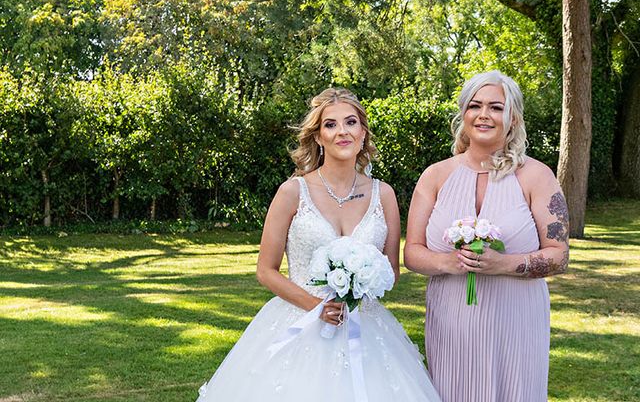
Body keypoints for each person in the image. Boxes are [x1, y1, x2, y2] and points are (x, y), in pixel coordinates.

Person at [196, 88, 441, 402]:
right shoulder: (292, 192)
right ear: (318, 136)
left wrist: (360, 285)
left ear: (363, 133)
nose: (342, 131)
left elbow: (390, 270)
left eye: (351, 122)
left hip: (366, 326)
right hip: (300, 319)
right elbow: (265, 271)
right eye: (330, 124)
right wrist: (317, 307)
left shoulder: (385, 195)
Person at [405, 71, 569, 402]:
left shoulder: (537, 176)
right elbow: (412, 253)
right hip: (451, 322)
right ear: (463, 113)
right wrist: (446, 261)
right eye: (475, 106)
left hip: (516, 321)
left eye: (496, 107)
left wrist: (504, 264)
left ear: (513, 118)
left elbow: (559, 255)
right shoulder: (435, 176)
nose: (484, 115)